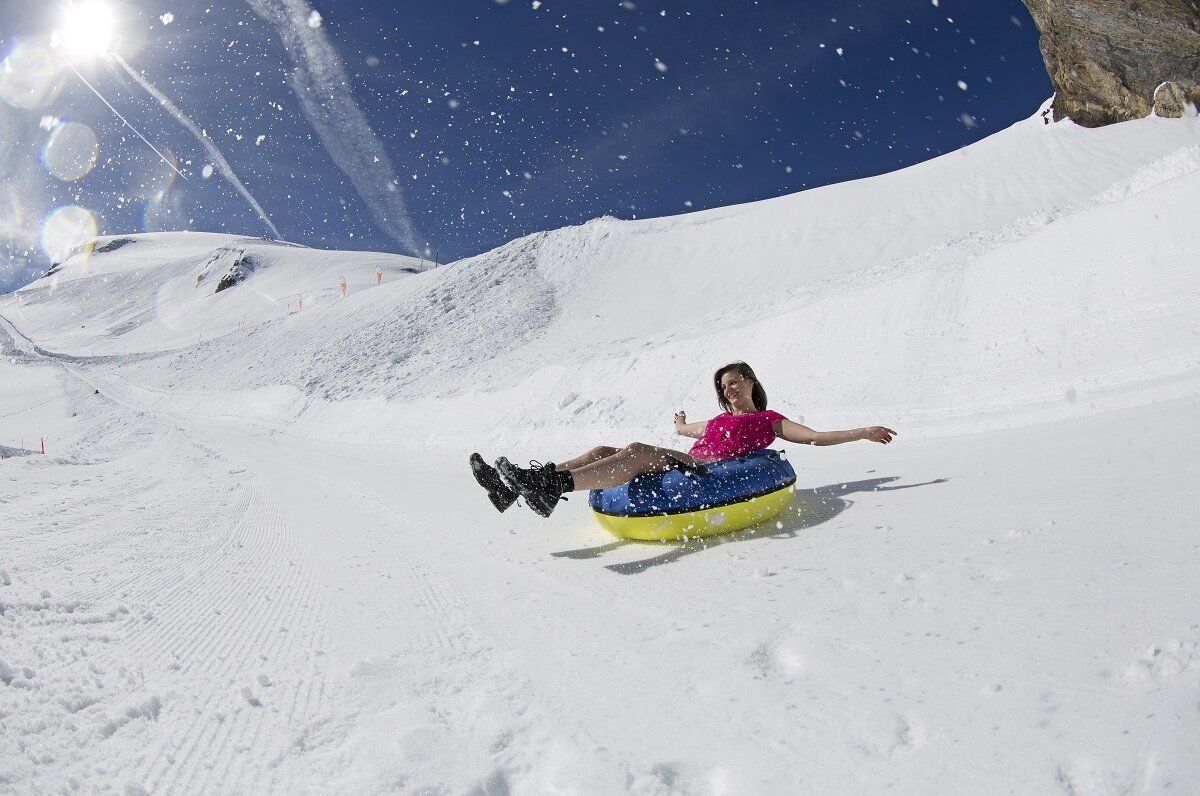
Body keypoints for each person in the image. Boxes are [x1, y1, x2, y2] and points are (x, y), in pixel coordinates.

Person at [470, 361, 896, 518]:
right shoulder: (714, 422)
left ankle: (551, 488)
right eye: (723, 386)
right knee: (603, 450)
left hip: (714, 471)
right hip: (689, 459)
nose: (728, 390)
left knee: (636, 450)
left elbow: (815, 438)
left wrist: (862, 432)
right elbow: (684, 433)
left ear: (750, 382)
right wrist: (679, 424)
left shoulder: (769, 420)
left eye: (734, 382)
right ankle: (515, 488)